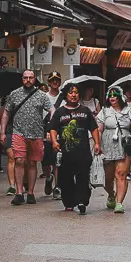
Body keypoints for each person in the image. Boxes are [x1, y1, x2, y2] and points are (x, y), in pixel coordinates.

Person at [0, 70, 53, 206]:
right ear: (22, 79)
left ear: (35, 79)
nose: (28, 80)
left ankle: (30, 192)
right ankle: (19, 192)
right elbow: (6, 113)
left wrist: (51, 129)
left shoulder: (41, 95)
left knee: (32, 163)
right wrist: (3, 132)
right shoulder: (15, 94)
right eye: (25, 78)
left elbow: (52, 110)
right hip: (19, 132)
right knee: (19, 160)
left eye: (30, 78)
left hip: (36, 133)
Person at [49, 83, 101, 214]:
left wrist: (97, 143)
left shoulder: (85, 111)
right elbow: (53, 128)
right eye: (71, 93)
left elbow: (94, 128)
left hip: (83, 152)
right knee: (65, 179)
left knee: (83, 177)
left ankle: (82, 201)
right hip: (65, 154)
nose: (74, 95)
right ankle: (69, 202)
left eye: (76, 92)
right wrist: (54, 141)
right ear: (66, 95)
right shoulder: (60, 112)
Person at [96, 86, 131, 214]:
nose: (112, 98)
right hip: (107, 145)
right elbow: (99, 129)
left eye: (115, 95)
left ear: (120, 97)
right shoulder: (104, 111)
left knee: (121, 174)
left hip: (124, 144)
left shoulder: (129, 111)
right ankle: (111, 194)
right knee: (107, 178)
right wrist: (97, 143)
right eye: (110, 96)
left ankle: (119, 202)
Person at [43, 71, 62, 199]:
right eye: (52, 80)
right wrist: (45, 132)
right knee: (45, 162)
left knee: (57, 161)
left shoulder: (64, 97)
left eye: (57, 80)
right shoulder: (43, 97)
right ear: (49, 82)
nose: (55, 82)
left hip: (60, 131)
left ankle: (57, 187)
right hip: (45, 131)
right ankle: (48, 177)